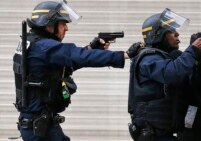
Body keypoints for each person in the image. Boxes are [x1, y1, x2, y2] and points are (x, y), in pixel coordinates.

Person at [13, 1, 141, 141]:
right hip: (39, 130)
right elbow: (77, 56)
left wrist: (92, 48)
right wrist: (125, 55)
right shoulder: (45, 47)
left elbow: (67, 64)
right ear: (49, 26)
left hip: (41, 125)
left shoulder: (35, 44)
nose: (66, 28)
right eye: (63, 24)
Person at [127, 8, 201, 141]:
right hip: (154, 135)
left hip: (164, 134)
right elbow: (172, 73)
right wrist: (193, 50)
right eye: (172, 32)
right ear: (157, 34)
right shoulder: (148, 58)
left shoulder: (165, 57)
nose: (177, 34)